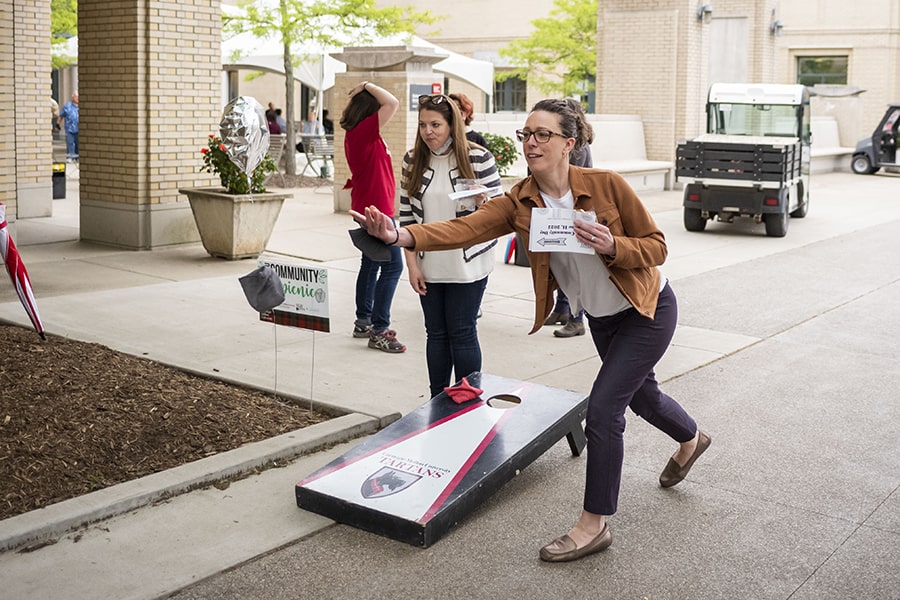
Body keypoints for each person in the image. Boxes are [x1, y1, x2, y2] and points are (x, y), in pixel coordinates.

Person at [352, 98, 710, 562]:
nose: (531, 142)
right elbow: (465, 229)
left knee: (603, 412)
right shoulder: (521, 199)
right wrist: (400, 237)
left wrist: (614, 244)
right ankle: (691, 438)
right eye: (526, 134)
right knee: (642, 396)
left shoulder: (606, 186)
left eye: (543, 134)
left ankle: (593, 524)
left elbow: (656, 247)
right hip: (602, 319)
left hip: (646, 309)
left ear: (570, 143)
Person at [399, 93, 502, 397]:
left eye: (435, 124)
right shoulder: (412, 160)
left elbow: (500, 212)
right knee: (436, 333)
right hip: (428, 263)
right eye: (422, 125)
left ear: (451, 124)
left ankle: (467, 402)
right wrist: (412, 263)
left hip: (467, 262)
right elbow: (406, 218)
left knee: (463, 331)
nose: (428, 131)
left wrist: (485, 201)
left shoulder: (478, 157)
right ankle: (436, 402)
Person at [342, 81, 406, 353]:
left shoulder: (364, 134)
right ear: (370, 111)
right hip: (375, 213)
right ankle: (379, 329)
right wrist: (366, 85)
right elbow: (393, 102)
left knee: (370, 265)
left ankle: (364, 321)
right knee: (393, 267)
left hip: (373, 207)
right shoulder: (363, 131)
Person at [545, 98, 595, 339]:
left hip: (571, 213)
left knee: (574, 270)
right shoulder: (577, 145)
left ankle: (577, 320)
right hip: (559, 213)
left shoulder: (575, 148)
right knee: (562, 266)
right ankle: (562, 309)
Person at [58, 91, 79, 162]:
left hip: (79, 129)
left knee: (78, 143)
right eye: (76, 97)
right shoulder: (67, 106)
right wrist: (57, 125)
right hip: (70, 128)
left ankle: (77, 157)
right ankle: (70, 156)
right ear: (73, 97)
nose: (78, 98)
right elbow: (61, 116)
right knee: (70, 143)